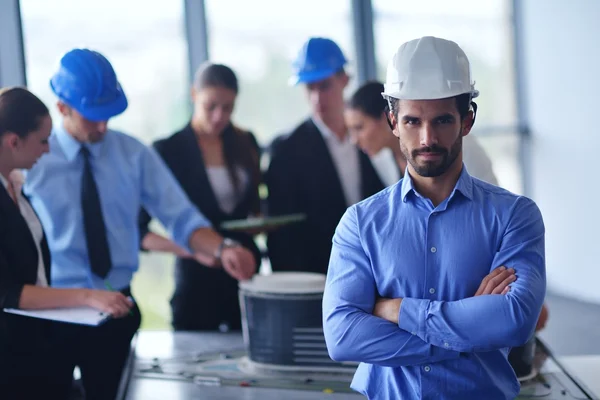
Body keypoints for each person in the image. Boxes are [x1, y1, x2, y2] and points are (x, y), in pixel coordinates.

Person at [23, 49, 256, 400]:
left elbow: (181, 216)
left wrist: (223, 248)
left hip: (116, 309)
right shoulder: (33, 159)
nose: (103, 126)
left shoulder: (133, 154)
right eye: (93, 117)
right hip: (55, 312)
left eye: (109, 116)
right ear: (62, 108)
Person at [323, 36, 546, 399]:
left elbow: (515, 321)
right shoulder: (361, 224)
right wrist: (469, 332)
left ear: (467, 120)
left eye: (442, 120)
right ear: (393, 121)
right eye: (412, 121)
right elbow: (342, 337)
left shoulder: (515, 217)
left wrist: (397, 309)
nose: (427, 138)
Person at [0, 87, 133, 399]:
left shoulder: (15, 186)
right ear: (13, 141)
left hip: (32, 347)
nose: (48, 150)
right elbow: (6, 292)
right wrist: (87, 296)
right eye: (43, 140)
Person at [139, 62, 262, 332]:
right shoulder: (167, 151)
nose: (219, 116)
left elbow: (253, 209)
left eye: (228, 108)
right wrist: (193, 249)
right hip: (196, 281)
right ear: (194, 95)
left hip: (244, 276)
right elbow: (139, 232)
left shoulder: (246, 143)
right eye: (211, 106)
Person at [266, 37, 384, 274]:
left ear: (345, 80)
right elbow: (282, 235)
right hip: (319, 277)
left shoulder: (373, 132)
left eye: (324, 86)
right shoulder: (286, 150)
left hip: (377, 269)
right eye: (310, 88)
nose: (317, 98)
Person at [345, 80, 499, 186]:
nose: (354, 140)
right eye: (413, 122)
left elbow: (490, 203)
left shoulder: (461, 146)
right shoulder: (382, 161)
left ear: (384, 118)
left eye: (359, 128)